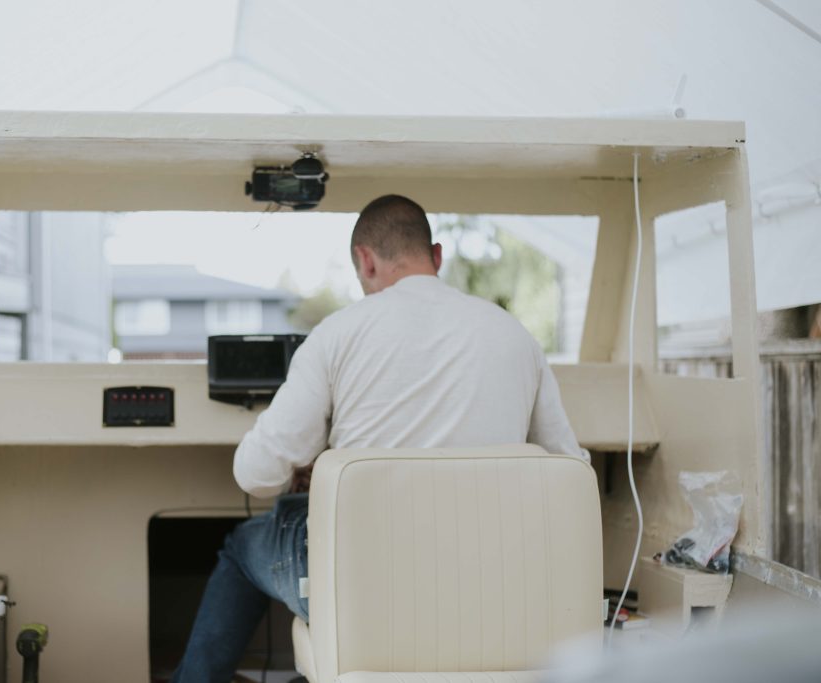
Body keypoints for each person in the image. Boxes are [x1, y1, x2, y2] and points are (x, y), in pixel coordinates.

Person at [170, 194, 586, 683]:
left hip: (365, 590)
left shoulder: (337, 334)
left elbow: (256, 475)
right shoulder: (515, 336)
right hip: (485, 586)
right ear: (436, 256)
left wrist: (320, 458)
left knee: (243, 545)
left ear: (365, 261)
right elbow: (569, 471)